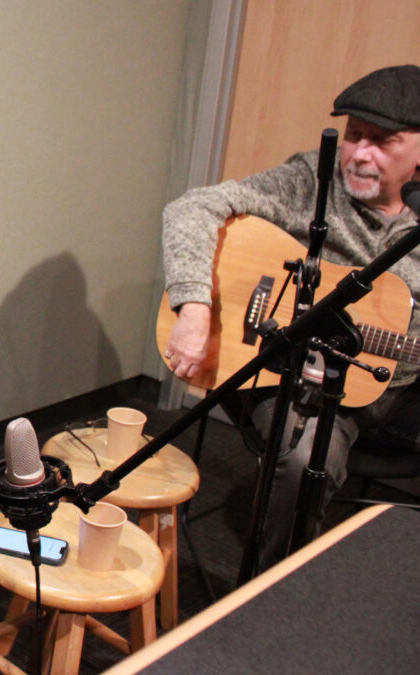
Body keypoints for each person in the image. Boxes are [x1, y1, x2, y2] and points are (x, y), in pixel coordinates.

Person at [162, 64, 420, 568]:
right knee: (306, 461)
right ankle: (273, 587)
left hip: (395, 383)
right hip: (291, 374)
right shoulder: (311, 182)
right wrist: (193, 307)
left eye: (381, 142)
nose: (360, 154)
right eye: (354, 136)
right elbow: (191, 209)